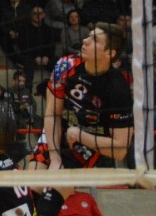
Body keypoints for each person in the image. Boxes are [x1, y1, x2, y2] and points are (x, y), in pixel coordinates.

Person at [40, 23, 133, 169]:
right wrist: (55, 157)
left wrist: (79, 135)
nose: (85, 40)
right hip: (57, 132)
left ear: (110, 53)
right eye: (89, 36)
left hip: (91, 143)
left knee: (61, 184)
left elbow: (121, 150)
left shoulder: (118, 89)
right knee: (34, 178)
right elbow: (52, 114)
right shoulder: (66, 65)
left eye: (95, 39)